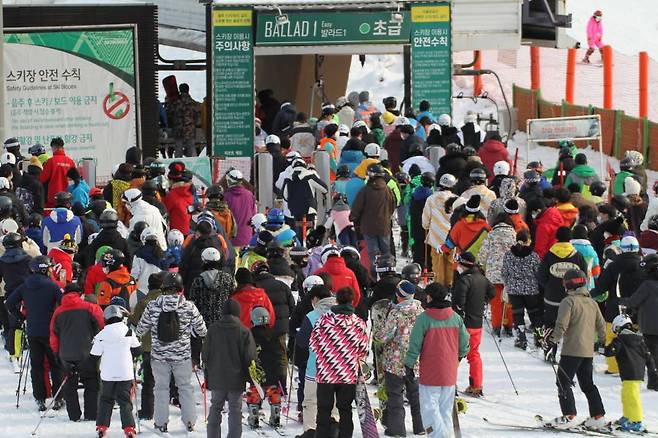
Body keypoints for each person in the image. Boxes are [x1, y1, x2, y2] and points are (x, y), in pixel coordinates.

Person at [136, 272, 207, 433]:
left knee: (161, 389)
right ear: (180, 288)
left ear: (164, 288)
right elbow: (202, 330)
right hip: (182, 356)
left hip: (159, 357)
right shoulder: (189, 306)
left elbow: (140, 329)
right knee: (185, 387)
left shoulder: (153, 306)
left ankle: (161, 422)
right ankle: (189, 421)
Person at [544, 269, 607, 431]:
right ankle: (598, 416)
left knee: (563, 382)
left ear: (568, 284)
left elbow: (562, 324)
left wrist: (552, 341)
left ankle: (569, 415)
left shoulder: (568, 301)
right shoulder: (592, 302)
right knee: (588, 384)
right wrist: (602, 342)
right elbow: (601, 325)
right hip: (587, 351)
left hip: (571, 350)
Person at [404, 282, 470, 438]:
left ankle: (439, 436)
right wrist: (459, 355)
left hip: (430, 372)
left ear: (430, 297)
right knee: (445, 410)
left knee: (429, 409)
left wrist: (409, 364)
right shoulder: (456, 318)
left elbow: (414, 345)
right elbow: (464, 343)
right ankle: (445, 435)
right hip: (449, 372)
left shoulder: (424, 319)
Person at [6, 255, 63, 411]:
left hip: (32, 330)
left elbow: (9, 303)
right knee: (55, 364)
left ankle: (40, 398)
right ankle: (58, 398)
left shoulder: (25, 285)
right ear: (45, 270)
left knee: (36, 366)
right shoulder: (52, 286)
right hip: (50, 331)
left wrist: (22, 318)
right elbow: (63, 303)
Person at [310, 286, 368, 438]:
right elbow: (363, 350)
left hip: (325, 373)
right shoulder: (359, 324)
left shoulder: (323, 321)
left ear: (336, 300)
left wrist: (328, 355)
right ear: (353, 301)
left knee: (323, 409)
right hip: (348, 375)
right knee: (345, 409)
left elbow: (313, 344)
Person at [373, 280, 425, 436]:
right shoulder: (421, 311)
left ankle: (397, 429)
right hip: (415, 361)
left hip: (395, 361)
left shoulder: (396, 313)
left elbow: (384, 336)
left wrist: (376, 334)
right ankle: (420, 426)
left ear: (398, 295)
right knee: (415, 395)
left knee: (395, 395)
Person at [50, 283, 104, 422]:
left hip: (66, 354)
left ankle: (74, 415)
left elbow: (54, 336)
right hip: (87, 353)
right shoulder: (90, 308)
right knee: (91, 383)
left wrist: (56, 353)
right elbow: (101, 325)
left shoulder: (58, 312)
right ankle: (91, 414)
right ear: (80, 293)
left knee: (69, 385)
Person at [203, 298, 257, 438]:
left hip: (217, 377)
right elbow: (250, 357)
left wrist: (210, 372)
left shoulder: (213, 329)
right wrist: (251, 377)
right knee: (235, 411)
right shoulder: (244, 331)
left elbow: (205, 355)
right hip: (236, 379)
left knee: (215, 408)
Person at [590, 235, 644, 375]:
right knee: (636, 337)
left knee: (612, 336)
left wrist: (591, 293)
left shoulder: (614, 265)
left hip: (615, 307)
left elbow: (601, 286)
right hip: (637, 309)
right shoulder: (643, 265)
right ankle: (636, 365)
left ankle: (614, 367)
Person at [537, 226, 588, 362]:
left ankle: (549, 351)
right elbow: (584, 276)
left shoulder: (549, 255)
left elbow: (541, 276)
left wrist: (548, 286)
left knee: (550, 324)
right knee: (573, 325)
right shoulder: (577, 256)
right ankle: (572, 355)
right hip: (572, 299)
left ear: (557, 237)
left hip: (552, 297)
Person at [91, 304, 141, 437]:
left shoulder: (101, 334)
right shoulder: (127, 331)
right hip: (125, 373)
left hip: (108, 374)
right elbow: (137, 350)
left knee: (106, 399)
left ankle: (102, 427)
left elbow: (94, 355)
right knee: (125, 401)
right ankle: (129, 428)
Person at [451, 252, 495, 396]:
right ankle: (476, 385)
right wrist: (483, 302)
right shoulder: (483, 278)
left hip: (463, 323)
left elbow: (458, 301)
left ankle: (450, 384)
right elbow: (492, 292)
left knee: (454, 354)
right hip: (477, 323)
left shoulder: (464, 280)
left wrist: (460, 309)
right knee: (474, 354)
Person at [295, 285, 335, 438]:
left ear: (316, 299)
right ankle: (333, 429)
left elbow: (302, 342)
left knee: (311, 401)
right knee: (333, 403)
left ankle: (310, 431)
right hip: (338, 368)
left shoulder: (312, 316)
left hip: (315, 367)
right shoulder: (341, 313)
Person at [603, 314, 652, 432]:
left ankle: (636, 421)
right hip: (635, 373)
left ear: (619, 327)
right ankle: (628, 416)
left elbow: (610, 352)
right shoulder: (639, 339)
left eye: (616, 330)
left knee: (632, 398)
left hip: (629, 373)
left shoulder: (620, 340)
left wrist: (600, 348)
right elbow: (647, 356)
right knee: (626, 396)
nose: (616, 332)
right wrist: (651, 369)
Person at [128, 273, 164, 421]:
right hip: (167, 346)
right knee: (164, 383)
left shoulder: (143, 302)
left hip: (149, 347)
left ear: (149, 286)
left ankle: (147, 411)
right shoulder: (168, 301)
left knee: (148, 382)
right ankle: (164, 411)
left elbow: (135, 322)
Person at [350, 163, 396, 274]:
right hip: (384, 226)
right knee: (386, 251)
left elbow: (357, 208)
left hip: (368, 227)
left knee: (373, 252)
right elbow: (392, 206)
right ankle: (388, 271)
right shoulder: (388, 190)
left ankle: (375, 274)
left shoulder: (365, 190)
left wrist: (353, 217)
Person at [501, 230, 543, 349]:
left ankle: (521, 337)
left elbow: (504, 273)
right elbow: (538, 273)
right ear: (528, 241)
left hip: (514, 290)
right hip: (531, 290)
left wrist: (508, 282)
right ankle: (539, 338)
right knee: (534, 314)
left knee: (517, 314)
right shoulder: (533, 256)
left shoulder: (508, 255)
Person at [624, 253, 658, 390]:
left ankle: (654, 381)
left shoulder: (647, 285)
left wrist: (620, 301)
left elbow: (633, 301)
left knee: (650, 354)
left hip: (649, 327)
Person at [479, 213, 516, 337]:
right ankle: (509, 326)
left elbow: (483, 254)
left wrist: (480, 264)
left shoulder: (491, 235)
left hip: (493, 273)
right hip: (510, 273)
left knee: (495, 301)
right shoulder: (514, 234)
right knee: (509, 300)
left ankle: (496, 326)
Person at [422, 174, 458, 286]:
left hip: (435, 236)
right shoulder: (457, 199)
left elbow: (425, 220)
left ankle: (439, 286)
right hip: (452, 237)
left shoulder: (431, 198)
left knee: (437, 264)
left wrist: (426, 226)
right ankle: (449, 285)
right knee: (450, 262)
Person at [188, 247, 235, 325]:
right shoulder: (227, 278)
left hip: (203, 322)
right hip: (223, 321)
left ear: (203, 261)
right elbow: (233, 298)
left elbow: (192, 303)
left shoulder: (198, 280)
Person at [224, 169, 257, 248]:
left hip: (231, 239)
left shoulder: (226, 197)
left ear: (229, 181)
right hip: (247, 237)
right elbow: (254, 215)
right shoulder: (249, 195)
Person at [40, 137, 76, 207]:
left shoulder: (51, 161)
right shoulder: (70, 162)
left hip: (54, 198)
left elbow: (42, 178)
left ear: (53, 147)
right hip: (67, 197)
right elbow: (74, 179)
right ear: (62, 147)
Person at [130, 228, 164, 296]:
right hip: (159, 290)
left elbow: (134, 274)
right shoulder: (162, 254)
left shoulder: (138, 254)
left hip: (142, 290)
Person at [164, 162, 194, 235]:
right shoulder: (188, 190)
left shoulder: (172, 195)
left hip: (176, 231)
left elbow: (164, 209)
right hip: (188, 228)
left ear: (171, 180)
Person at [170, 83, 200, 157]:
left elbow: (170, 114)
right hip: (190, 129)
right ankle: (193, 165)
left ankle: (177, 165)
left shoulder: (175, 103)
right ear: (188, 90)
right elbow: (197, 116)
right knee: (191, 148)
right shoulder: (193, 102)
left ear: (180, 90)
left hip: (178, 129)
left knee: (178, 149)